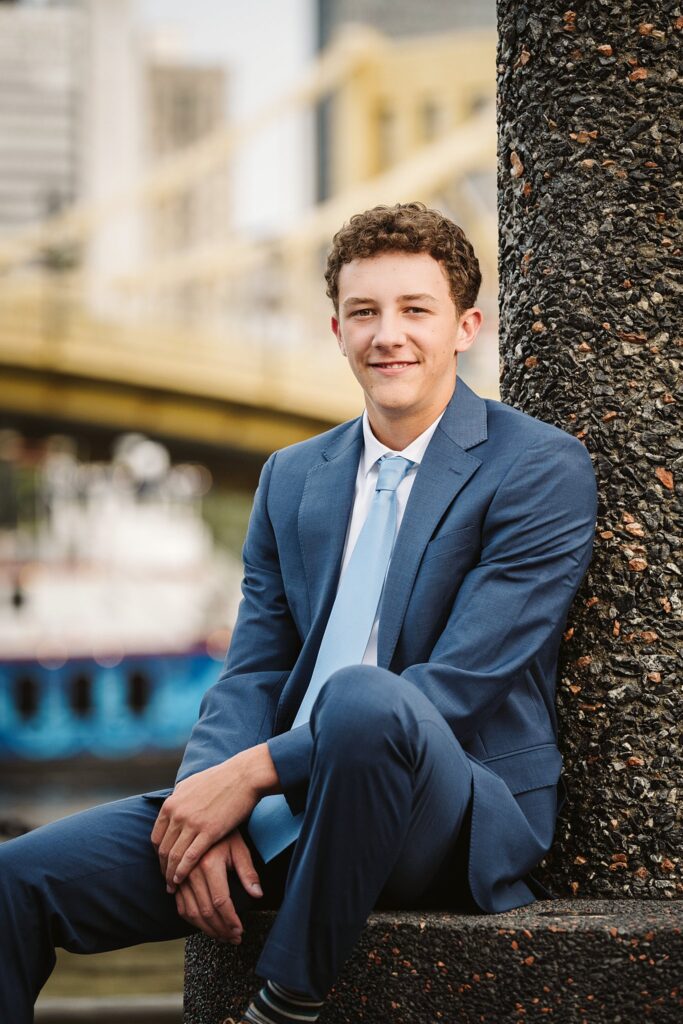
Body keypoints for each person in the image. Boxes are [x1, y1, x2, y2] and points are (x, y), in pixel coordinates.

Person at [0, 202, 597, 1024]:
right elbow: (253, 666)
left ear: (465, 326)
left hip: (439, 809)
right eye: (364, 312)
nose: (388, 334)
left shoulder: (537, 467)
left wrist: (252, 774)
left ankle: (286, 999)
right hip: (283, 803)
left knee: (362, 696)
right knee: (14, 883)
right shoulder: (291, 476)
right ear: (336, 329)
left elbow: (459, 685)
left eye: (414, 310)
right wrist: (202, 802)